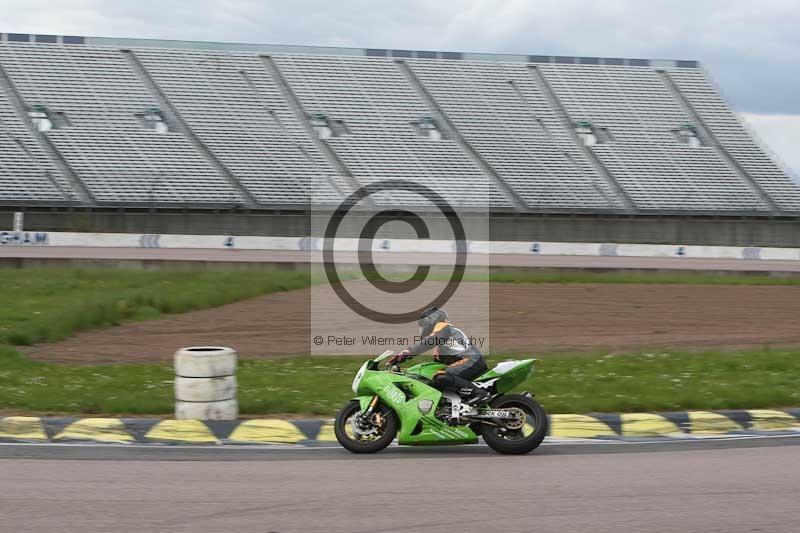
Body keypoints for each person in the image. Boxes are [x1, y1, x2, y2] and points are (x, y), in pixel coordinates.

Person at [386, 307, 490, 406]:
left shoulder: (444, 327)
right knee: (433, 379)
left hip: (471, 360)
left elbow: (426, 343)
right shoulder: (440, 346)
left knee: (441, 376)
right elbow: (433, 365)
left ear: (431, 319)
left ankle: (481, 394)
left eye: (423, 323)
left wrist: (405, 354)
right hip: (468, 361)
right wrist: (407, 372)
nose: (422, 327)